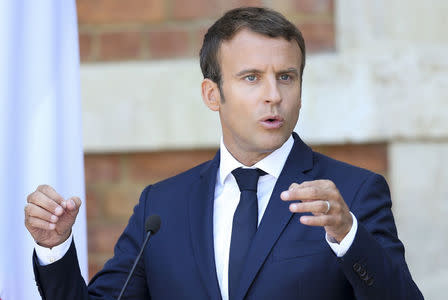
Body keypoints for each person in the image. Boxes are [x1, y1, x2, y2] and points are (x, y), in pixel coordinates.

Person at [25, 7, 423, 300]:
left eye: (287, 77)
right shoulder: (161, 206)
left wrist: (347, 235)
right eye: (252, 78)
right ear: (212, 95)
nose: (274, 95)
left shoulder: (351, 194)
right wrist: (54, 248)